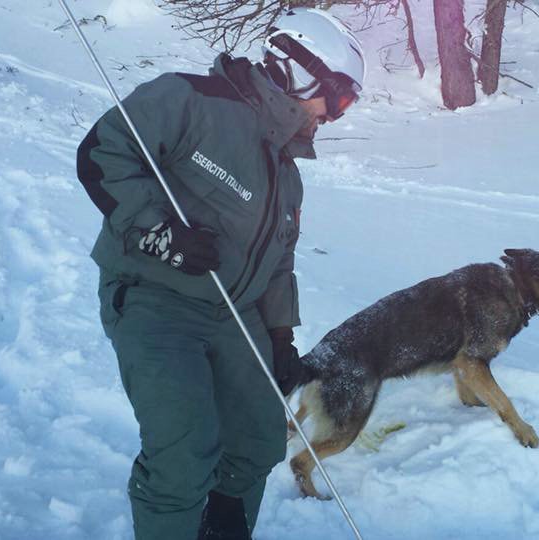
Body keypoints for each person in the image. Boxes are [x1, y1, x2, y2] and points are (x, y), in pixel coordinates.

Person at [75, 7, 365, 540]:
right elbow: (102, 152)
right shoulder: (191, 100)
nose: (337, 115)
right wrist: (160, 233)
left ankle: (221, 528)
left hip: (235, 313)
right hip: (154, 297)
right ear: (297, 69)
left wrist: (280, 337)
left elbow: (279, 262)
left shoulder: (287, 174)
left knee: (258, 438)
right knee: (185, 451)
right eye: (340, 97)